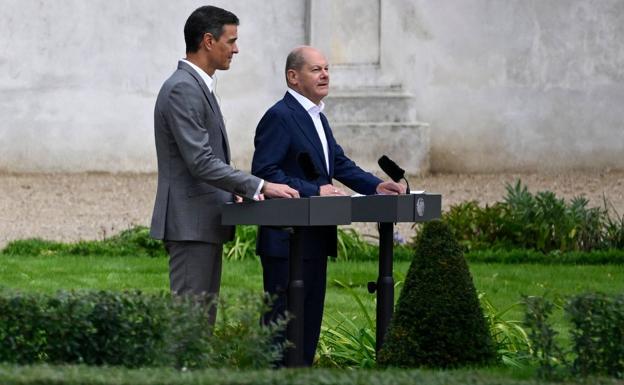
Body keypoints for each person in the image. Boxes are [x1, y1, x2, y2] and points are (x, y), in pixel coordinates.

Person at [251, 46, 406, 366]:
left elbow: (338, 163)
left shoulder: (318, 117)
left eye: (326, 68)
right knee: (281, 331)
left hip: (316, 237)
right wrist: (313, 190)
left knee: (307, 329)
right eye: (316, 69)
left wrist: (375, 186)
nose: (325, 75)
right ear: (293, 77)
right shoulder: (279, 116)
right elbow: (266, 172)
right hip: (286, 240)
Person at [149, 6, 299, 325]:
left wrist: (234, 194)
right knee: (190, 327)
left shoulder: (198, 86)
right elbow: (200, 161)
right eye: (231, 41)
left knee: (200, 326)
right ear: (208, 41)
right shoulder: (183, 88)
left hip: (202, 223)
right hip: (191, 226)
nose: (236, 48)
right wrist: (259, 185)